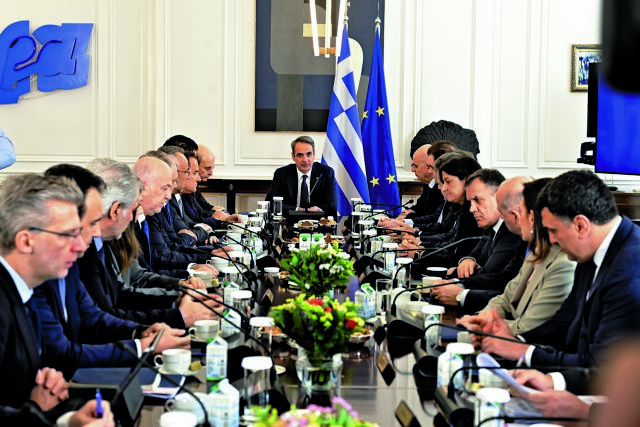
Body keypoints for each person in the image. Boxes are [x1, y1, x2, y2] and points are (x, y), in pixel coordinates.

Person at [36, 164, 189, 378]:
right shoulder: (44, 272)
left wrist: (140, 332)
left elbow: (93, 317)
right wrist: (143, 346)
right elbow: (61, 354)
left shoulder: (69, 261)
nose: (92, 235)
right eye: (90, 224)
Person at [481, 170, 640, 367]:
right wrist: (516, 341)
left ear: (580, 225)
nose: (551, 239)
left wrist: (527, 354)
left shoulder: (628, 275)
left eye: (554, 230)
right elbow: (563, 322)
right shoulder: (590, 248)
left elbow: (600, 366)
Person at [0, 173, 113, 426]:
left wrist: (66, 419)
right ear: (26, 241)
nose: (80, 246)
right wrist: (36, 409)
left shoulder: (22, 290)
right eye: (67, 235)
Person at [77, 159, 221, 329]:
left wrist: (179, 294)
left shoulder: (105, 238)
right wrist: (177, 314)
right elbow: (103, 318)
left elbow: (123, 292)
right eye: (165, 187)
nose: (169, 195)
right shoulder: (93, 244)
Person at [457, 178, 576, 334]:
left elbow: (528, 327)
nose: (518, 217)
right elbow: (505, 299)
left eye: (522, 210)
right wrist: (483, 318)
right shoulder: (536, 252)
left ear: (531, 218)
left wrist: (483, 327)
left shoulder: (562, 264)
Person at [428, 169, 527, 308]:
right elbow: (475, 253)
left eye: (477, 200)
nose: (472, 209)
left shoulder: (513, 232)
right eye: (470, 202)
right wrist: (469, 260)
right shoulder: (490, 226)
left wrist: (457, 284)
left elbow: (494, 275)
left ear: (498, 198)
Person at [401, 152, 483, 266]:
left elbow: (457, 258)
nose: (442, 188)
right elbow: (451, 244)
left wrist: (420, 253)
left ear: (466, 181)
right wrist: (419, 245)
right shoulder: (462, 208)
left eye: (447, 182)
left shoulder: (474, 213)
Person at [265, 136, 338, 217]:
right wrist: (300, 210)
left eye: (309, 154)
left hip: (318, 220)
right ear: (293, 156)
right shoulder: (282, 173)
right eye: (300, 155)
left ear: (314, 155)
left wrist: (317, 210)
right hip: (290, 220)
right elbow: (270, 203)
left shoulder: (326, 173)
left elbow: (332, 205)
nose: (305, 160)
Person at [397, 143, 443, 219]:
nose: (412, 170)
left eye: (416, 166)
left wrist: (407, 219)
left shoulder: (442, 188)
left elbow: (432, 217)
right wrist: (408, 212)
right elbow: (419, 208)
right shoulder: (428, 183)